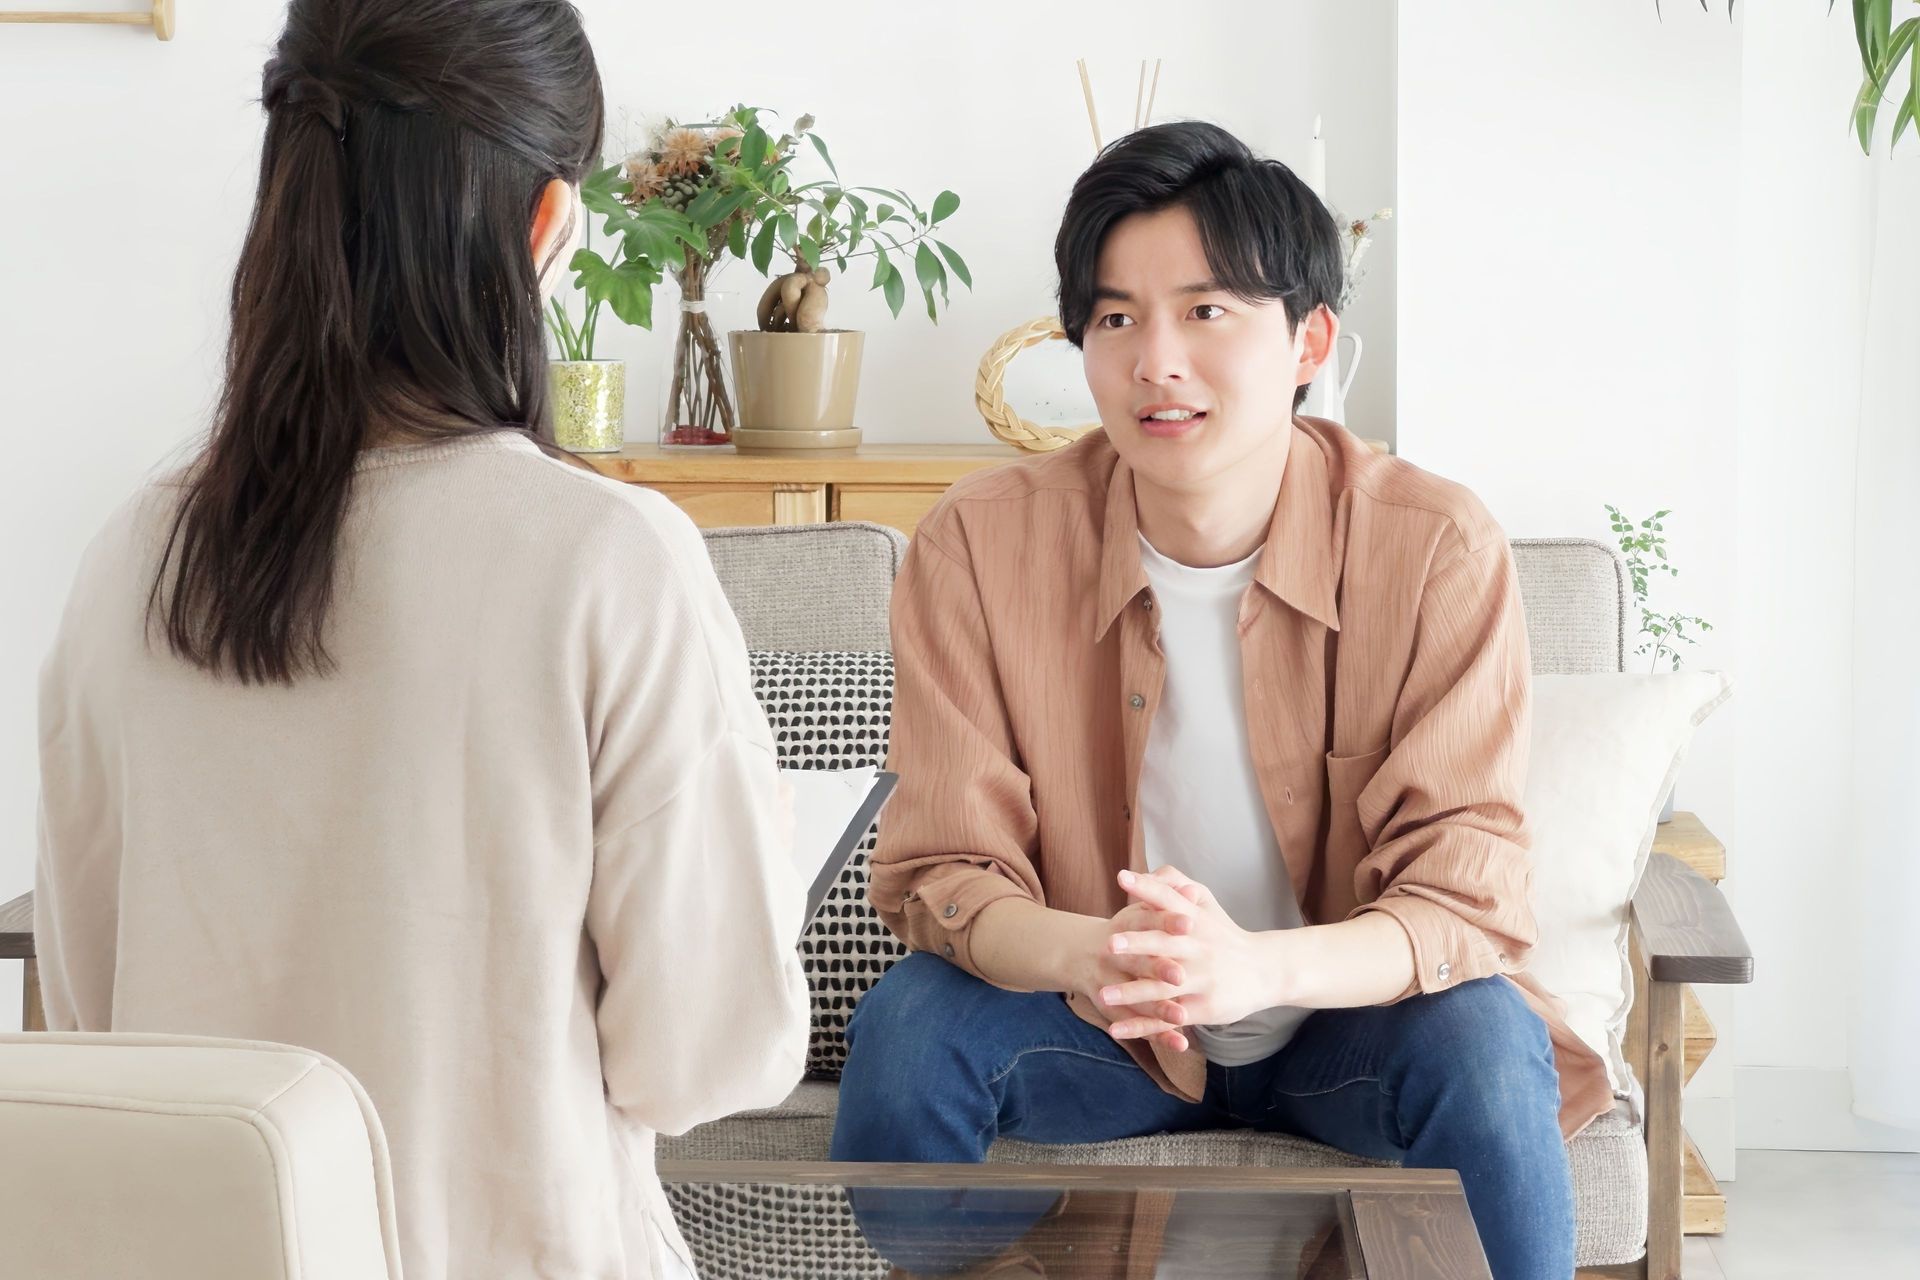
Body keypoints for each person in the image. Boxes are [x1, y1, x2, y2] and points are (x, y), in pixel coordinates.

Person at [33, 3, 810, 1277]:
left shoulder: (133, 559)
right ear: (547, 224)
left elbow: (91, 1027)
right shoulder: (608, 559)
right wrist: (758, 843)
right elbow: (702, 1060)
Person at [831, 121, 1610, 1280]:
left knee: (1487, 1040)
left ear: (1309, 340)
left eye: (1206, 310)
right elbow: (944, 870)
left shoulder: (1433, 546)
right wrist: (1095, 952)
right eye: (1115, 319)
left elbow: (1466, 896)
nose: (1157, 360)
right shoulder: (979, 544)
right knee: (909, 1027)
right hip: (1097, 1029)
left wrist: (1258, 969)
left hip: (1344, 1024)